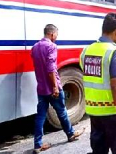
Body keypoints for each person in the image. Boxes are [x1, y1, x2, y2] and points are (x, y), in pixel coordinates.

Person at [80, 13, 116, 154]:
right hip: (114, 114)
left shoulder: (87, 51)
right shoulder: (115, 53)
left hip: (95, 113)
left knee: (99, 150)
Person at [31, 24, 82, 153]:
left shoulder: (35, 47)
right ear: (52, 34)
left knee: (40, 116)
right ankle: (70, 134)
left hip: (41, 88)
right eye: (56, 35)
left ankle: (37, 145)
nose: (56, 38)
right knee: (62, 112)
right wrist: (54, 87)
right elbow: (50, 69)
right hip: (52, 88)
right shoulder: (52, 46)